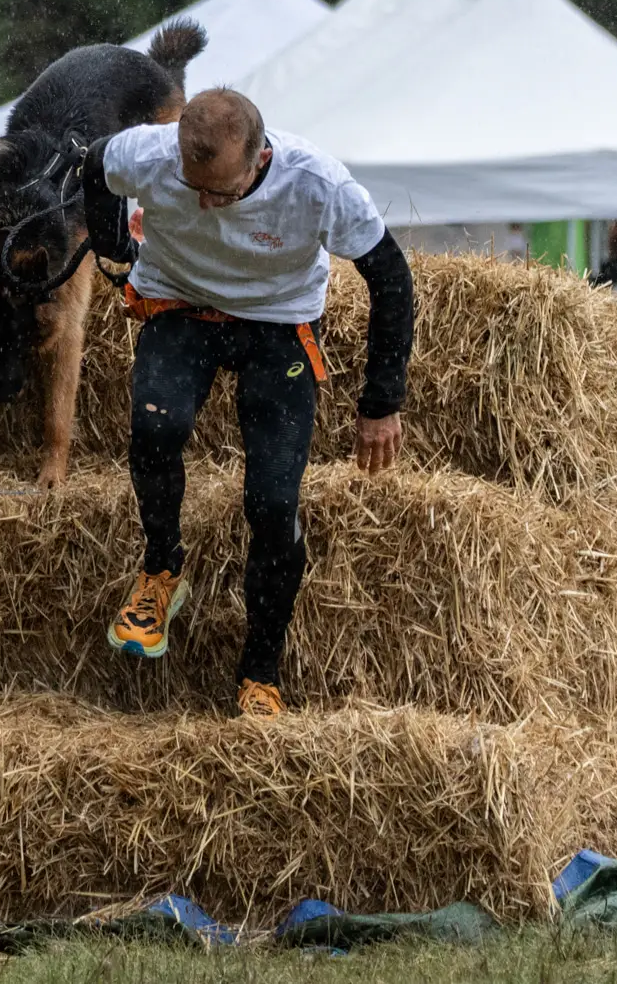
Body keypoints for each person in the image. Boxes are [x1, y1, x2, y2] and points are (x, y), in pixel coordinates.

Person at [80, 88, 416, 719]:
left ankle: (261, 675)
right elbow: (93, 166)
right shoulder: (150, 153)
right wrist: (114, 248)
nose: (206, 203)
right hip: (178, 302)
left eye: (223, 193)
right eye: (193, 186)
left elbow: (392, 281)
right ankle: (160, 571)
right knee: (156, 427)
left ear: (260, 158)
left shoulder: (318, 184)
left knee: (271, 502)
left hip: (277, 321)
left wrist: (381, 401)